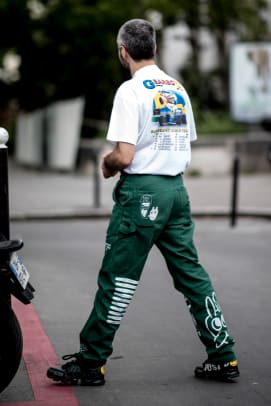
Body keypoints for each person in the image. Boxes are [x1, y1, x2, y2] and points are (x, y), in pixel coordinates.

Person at [47, 18, 240, 386]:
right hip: (176, 193)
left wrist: (106, 164)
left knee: (117, 279)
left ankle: (91, 362)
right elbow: (184, 142)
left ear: (123, 51)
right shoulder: (178, 88)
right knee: (191, 275)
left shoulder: (130, 91)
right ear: (154, 48)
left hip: (142, 195)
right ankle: (223, 355)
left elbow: (123, 155)